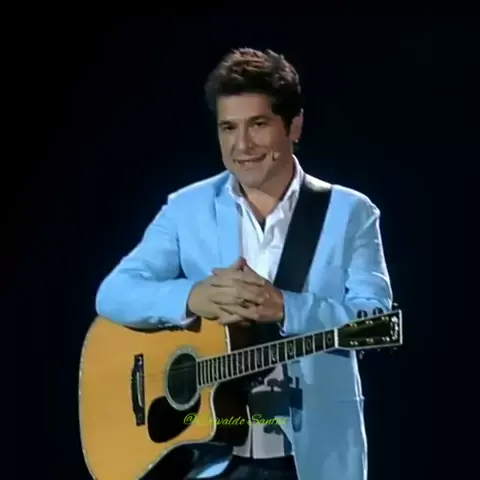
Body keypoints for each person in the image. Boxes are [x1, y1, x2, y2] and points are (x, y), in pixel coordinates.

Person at [95, 48, 393, 480]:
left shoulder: (349, 213)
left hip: (313, 458)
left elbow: (377, 323)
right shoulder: (187, 208)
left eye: (258, 125)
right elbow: (113, 294)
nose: (242, 146)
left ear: (294, 126)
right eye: (228, 128)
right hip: (212, 456)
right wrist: (191, 297)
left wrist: (287, 308)